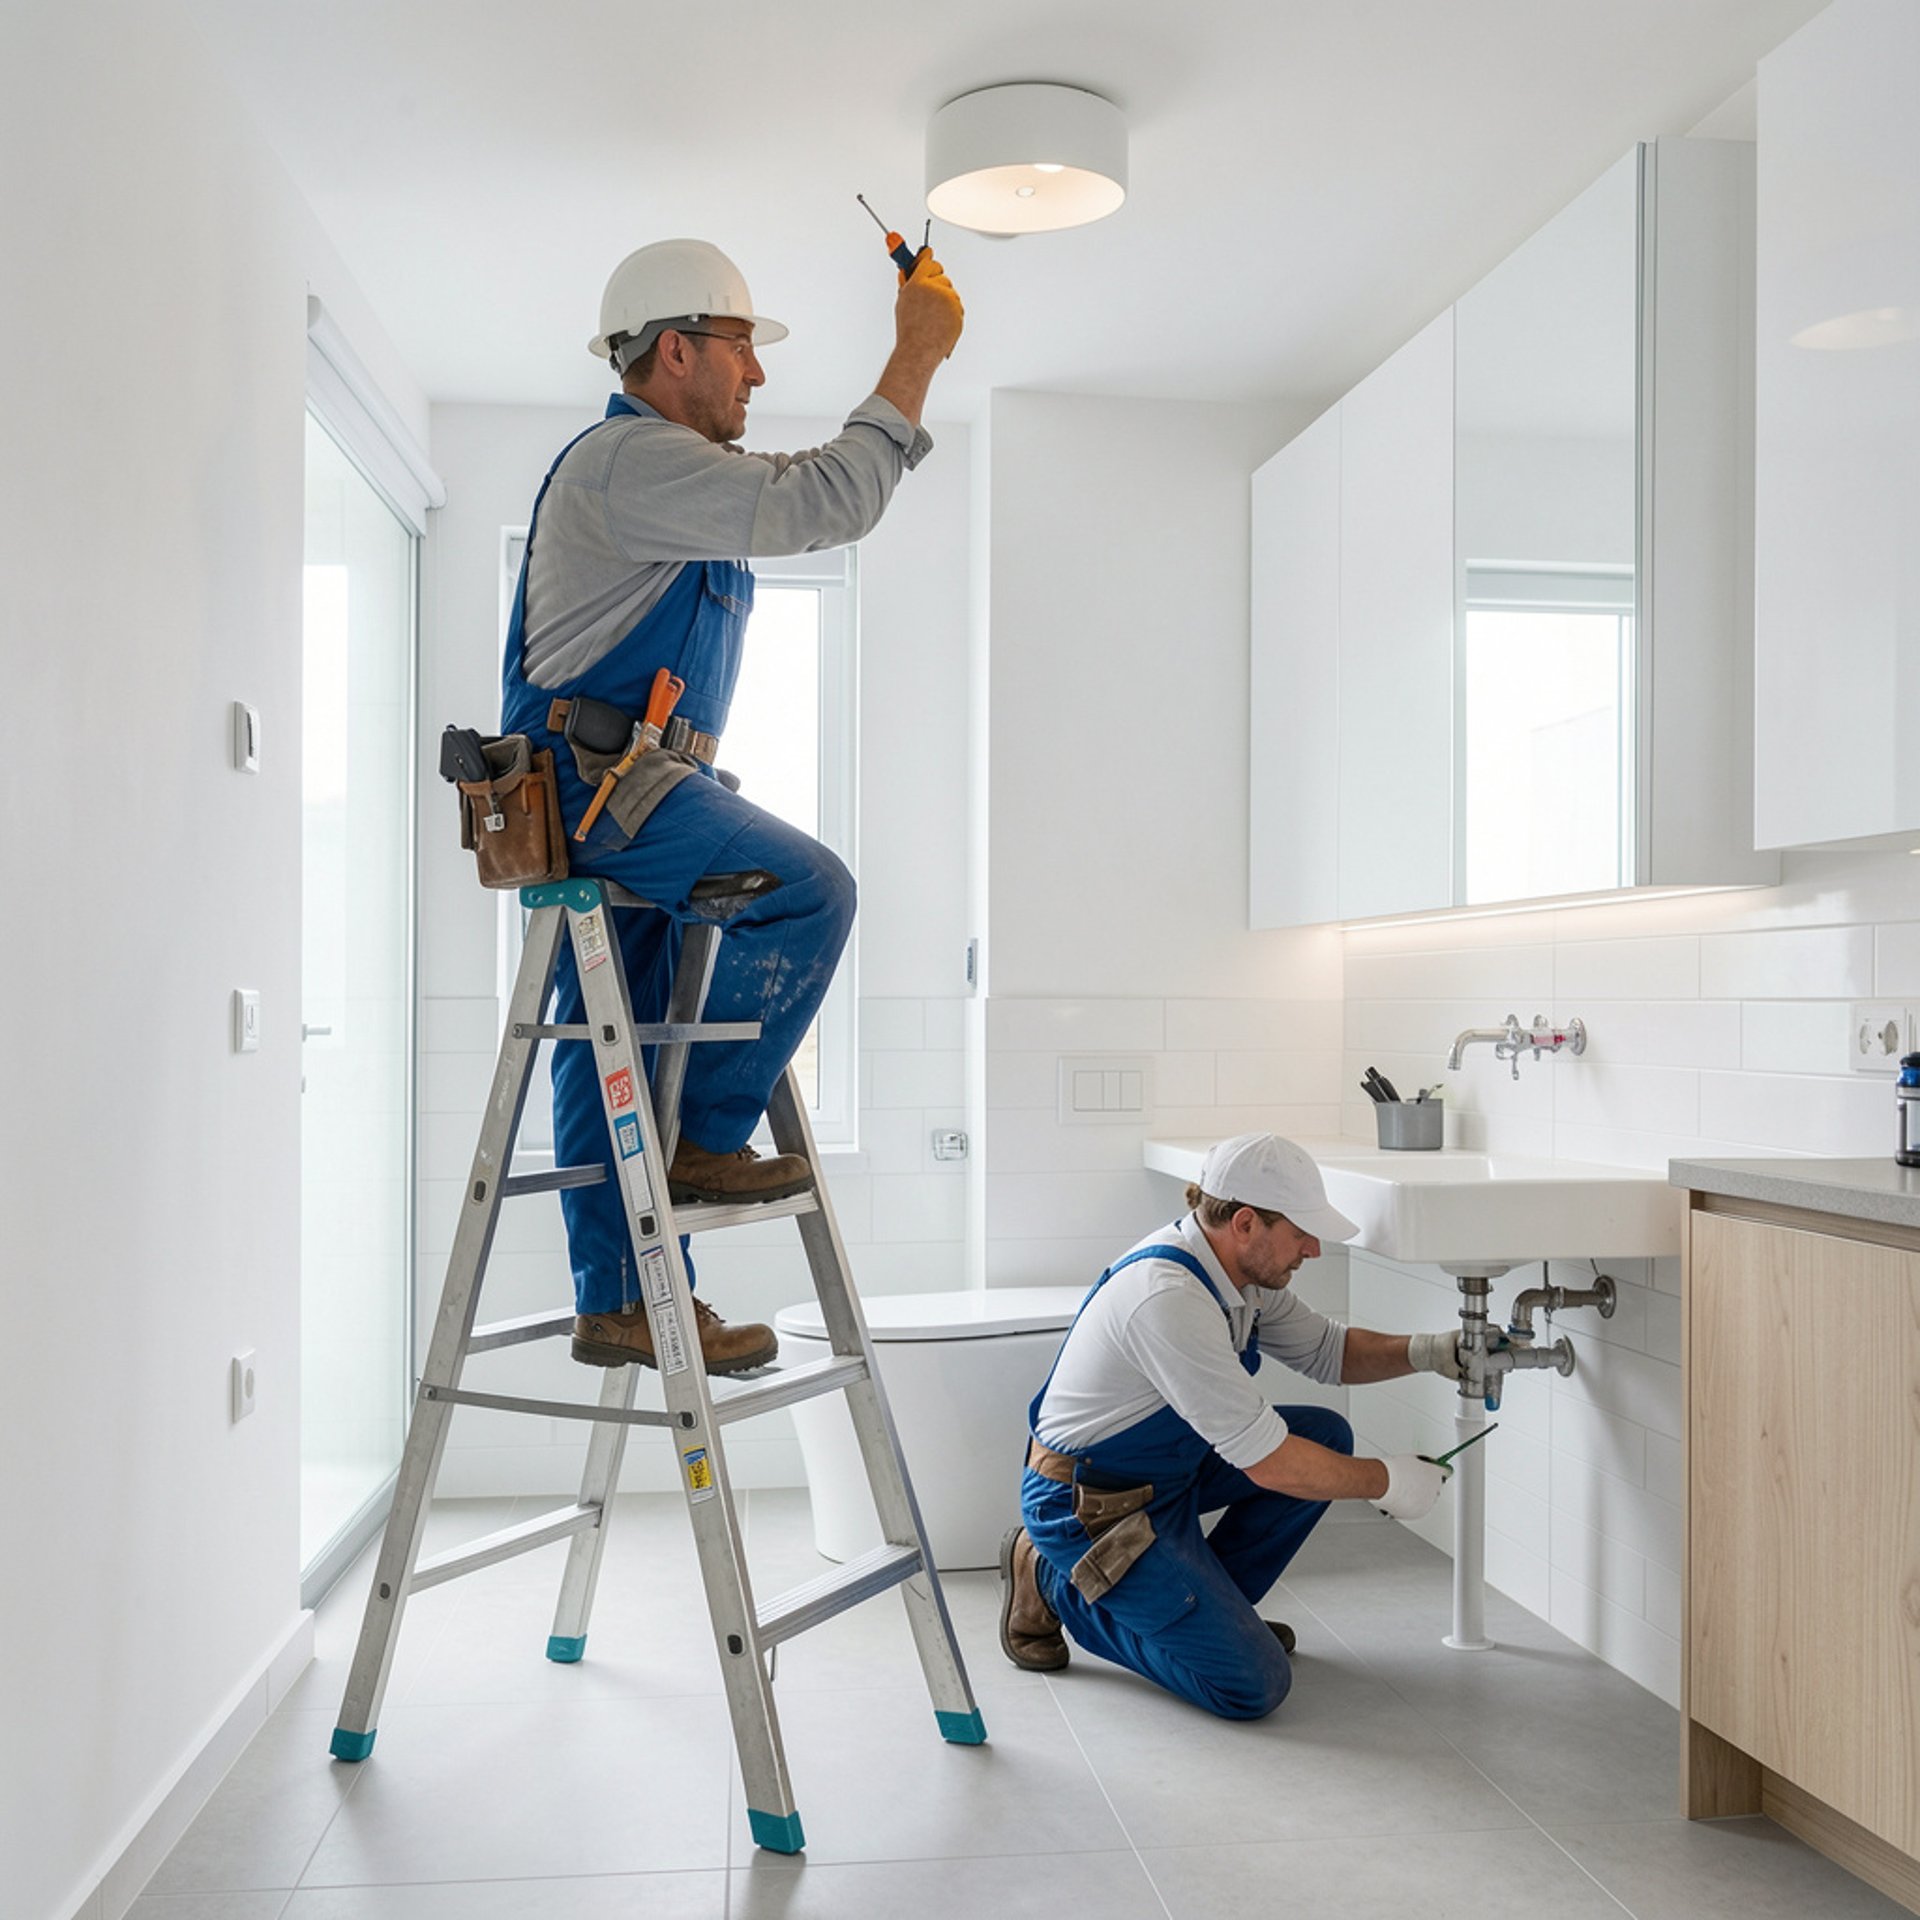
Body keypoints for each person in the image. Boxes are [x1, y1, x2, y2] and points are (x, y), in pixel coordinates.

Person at [498, 237, 964, 1375]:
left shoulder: (669, 481)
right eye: (742, 349)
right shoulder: (630, 462)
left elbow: (817, 490)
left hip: (639, 784)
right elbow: (824, 498)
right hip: (594, 787)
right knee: (810, 893)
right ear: (675, 350)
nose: (756, 377)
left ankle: (626, 1302)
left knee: (612, 1050)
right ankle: (704, 1140)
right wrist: (914, 359)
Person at [999, 1131, 1467, 1719]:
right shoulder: (1168, 1299)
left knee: (1324, 1435)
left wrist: (1429, 1349)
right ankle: (1055, 1584)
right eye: (1301, 1234)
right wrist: (1387, 1481)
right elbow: (1267, 1460)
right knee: (1252, 1686)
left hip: (1165, 1473)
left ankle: (1218, 1618)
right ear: (1246, 1222)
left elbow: (1330, 1352)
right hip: (1091, 1505)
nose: (1313, 1251)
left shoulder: (1236, 1277)